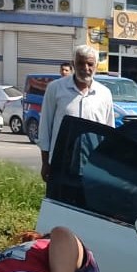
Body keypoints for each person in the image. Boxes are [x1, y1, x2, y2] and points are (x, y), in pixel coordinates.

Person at [38, 45, 115, 182]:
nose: (85, 68)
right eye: (80, 63)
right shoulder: (55, 88)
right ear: (73, 64)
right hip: (61, 162)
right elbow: (45, 128)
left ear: (96, 66)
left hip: (93, 165)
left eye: (90, 64)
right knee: (59, 202)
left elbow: (109, 132)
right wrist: (45, 163)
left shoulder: (104, 94)